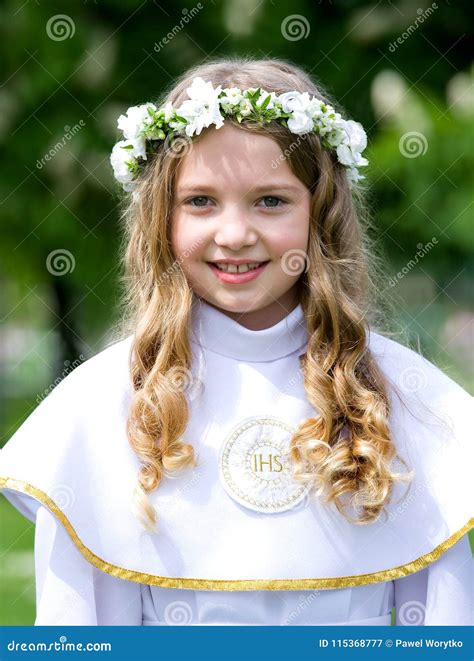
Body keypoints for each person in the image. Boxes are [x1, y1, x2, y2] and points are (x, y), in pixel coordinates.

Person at [0, 56, 472, 626]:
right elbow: (83, 628)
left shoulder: (405, 400)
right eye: (200, 201)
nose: (234, 235)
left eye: (271, 201)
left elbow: (444, 627)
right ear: (162, 221)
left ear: (320, 216)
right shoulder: (101, 406)